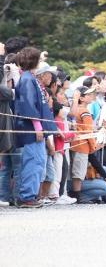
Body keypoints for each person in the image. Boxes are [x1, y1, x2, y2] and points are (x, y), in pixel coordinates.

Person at [13, 47, 56, 208]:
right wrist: (37, 126)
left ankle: (30, 194)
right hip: (31, 128)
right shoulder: (27, 79)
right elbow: (28, 105)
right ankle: (26, 196)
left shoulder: (29, 78)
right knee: (33, 161)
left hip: (35, 128)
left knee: (38, 161)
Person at [68, 86, 97, 202]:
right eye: (89, 94)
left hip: (74, 144)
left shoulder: (76, 110)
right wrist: (93, 145)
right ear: (82, 98)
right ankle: (77, 196)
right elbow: (88, 131)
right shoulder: (84, 111)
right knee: (78, 173)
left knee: (75, 171)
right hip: (82, 145)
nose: (92, 96)